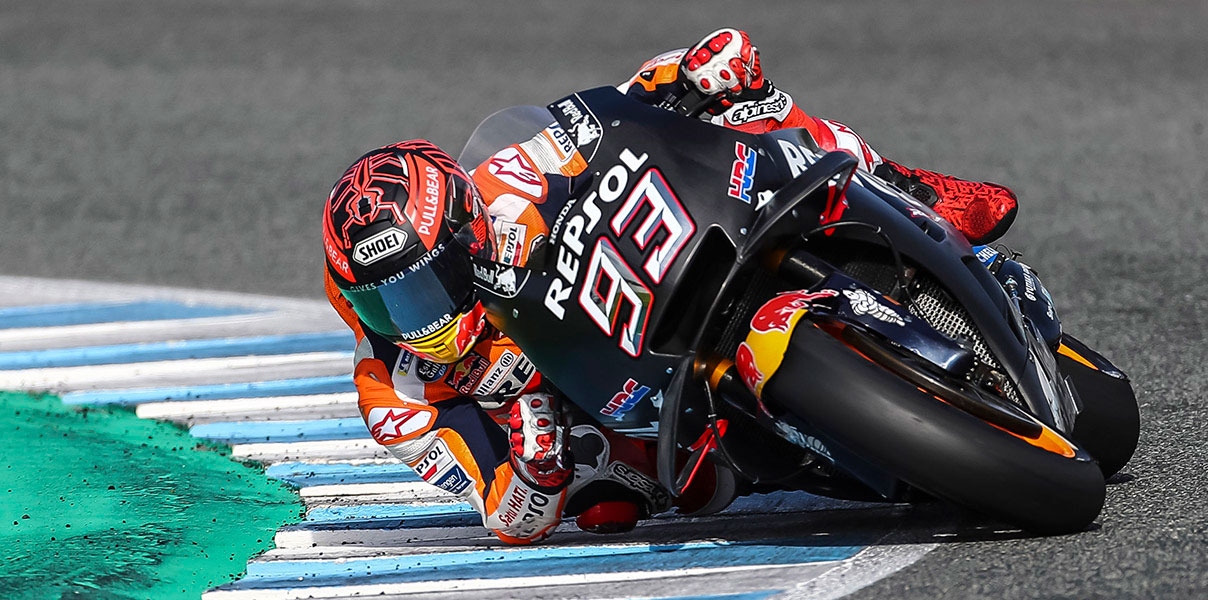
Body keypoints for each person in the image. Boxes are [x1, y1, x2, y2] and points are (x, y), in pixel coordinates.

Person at [323, 28, 1021, 544]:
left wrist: (691, 68)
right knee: (611, 501)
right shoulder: (392, 397)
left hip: (655, 270)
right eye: (383, 303)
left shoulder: (507, 179)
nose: (415, 320)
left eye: (423, 288)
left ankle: (911, 189)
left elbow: (619, 108)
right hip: (621, 429)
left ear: (463, 231)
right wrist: (534, 472)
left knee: (748, 112)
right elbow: (503, 517)